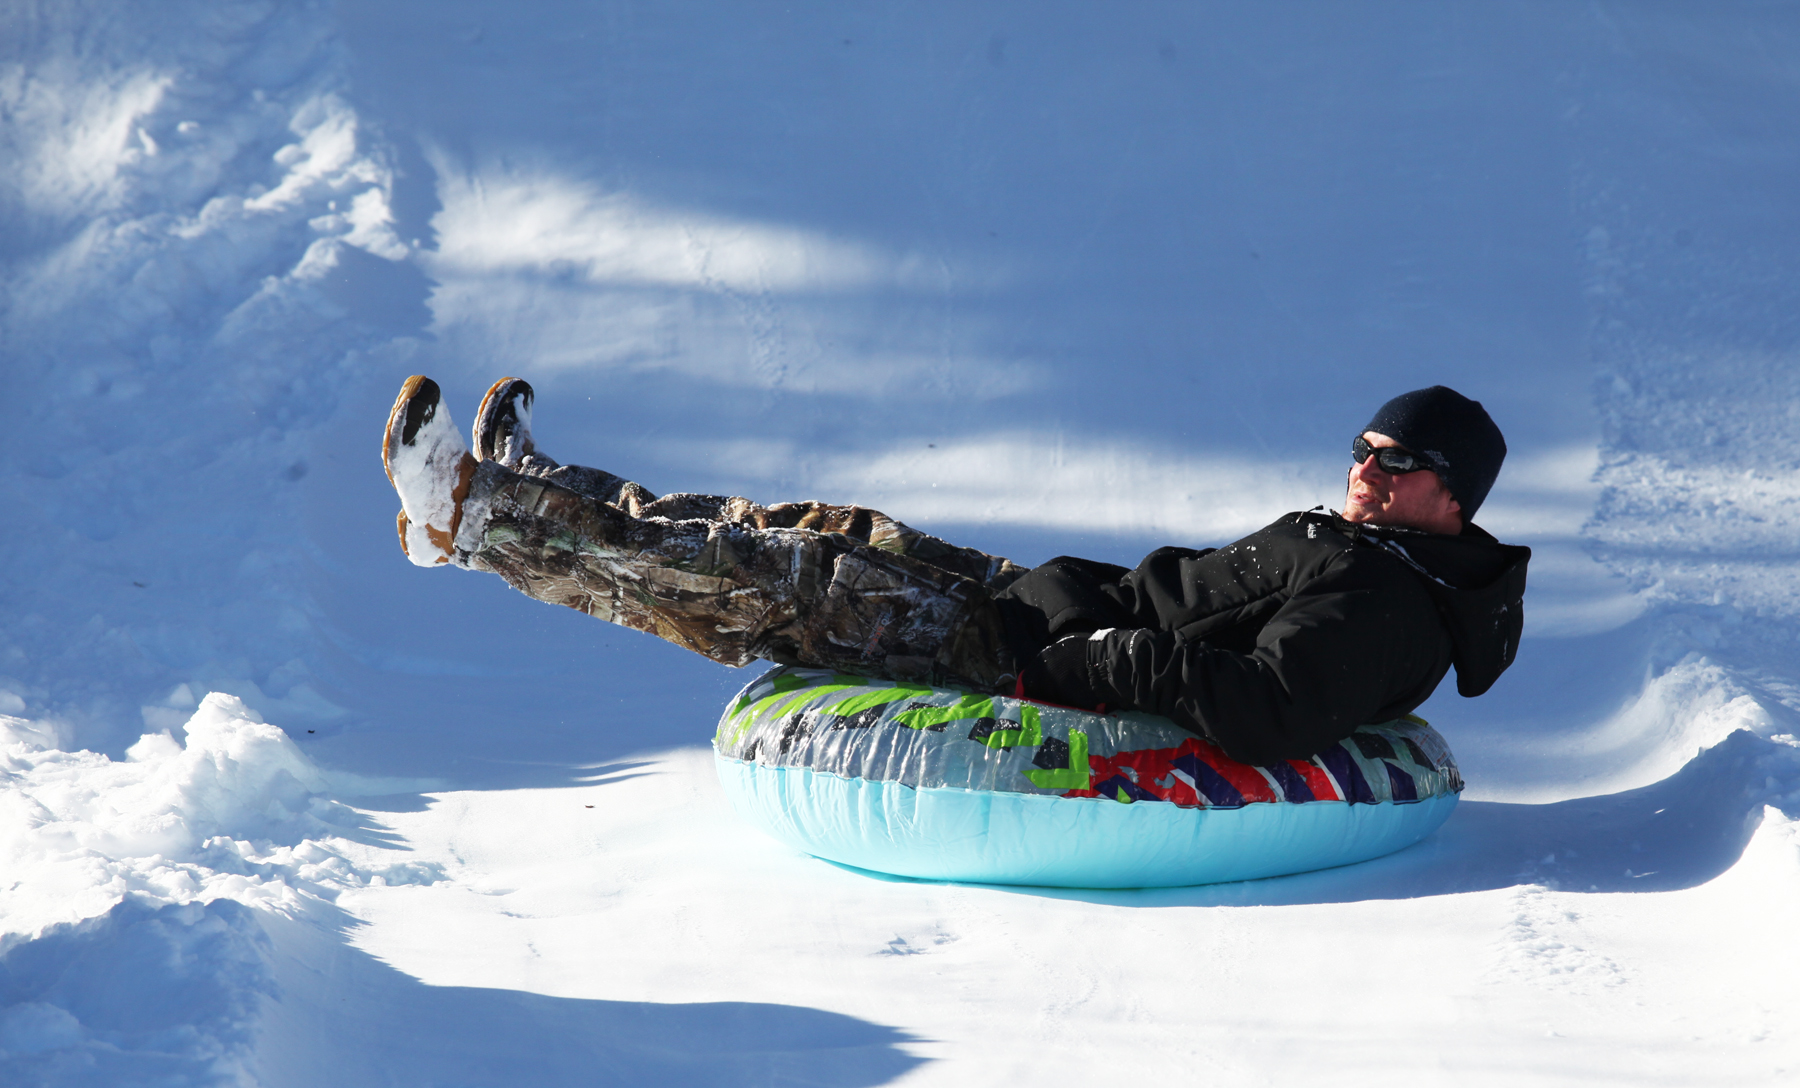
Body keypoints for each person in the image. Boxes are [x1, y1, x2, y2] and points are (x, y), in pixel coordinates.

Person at [382, 376, 1529, 766]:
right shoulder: (1368, 544)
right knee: (815, 522)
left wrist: (1103, 654)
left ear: (1454, 496)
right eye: (1366, 450)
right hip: (1032, 598)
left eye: (1402, 462)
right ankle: (536, 489)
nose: (1369, 471)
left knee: (763, 577)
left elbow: (1277, 707)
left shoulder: (1392, 601)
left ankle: (483, 522)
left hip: (1030, 656)